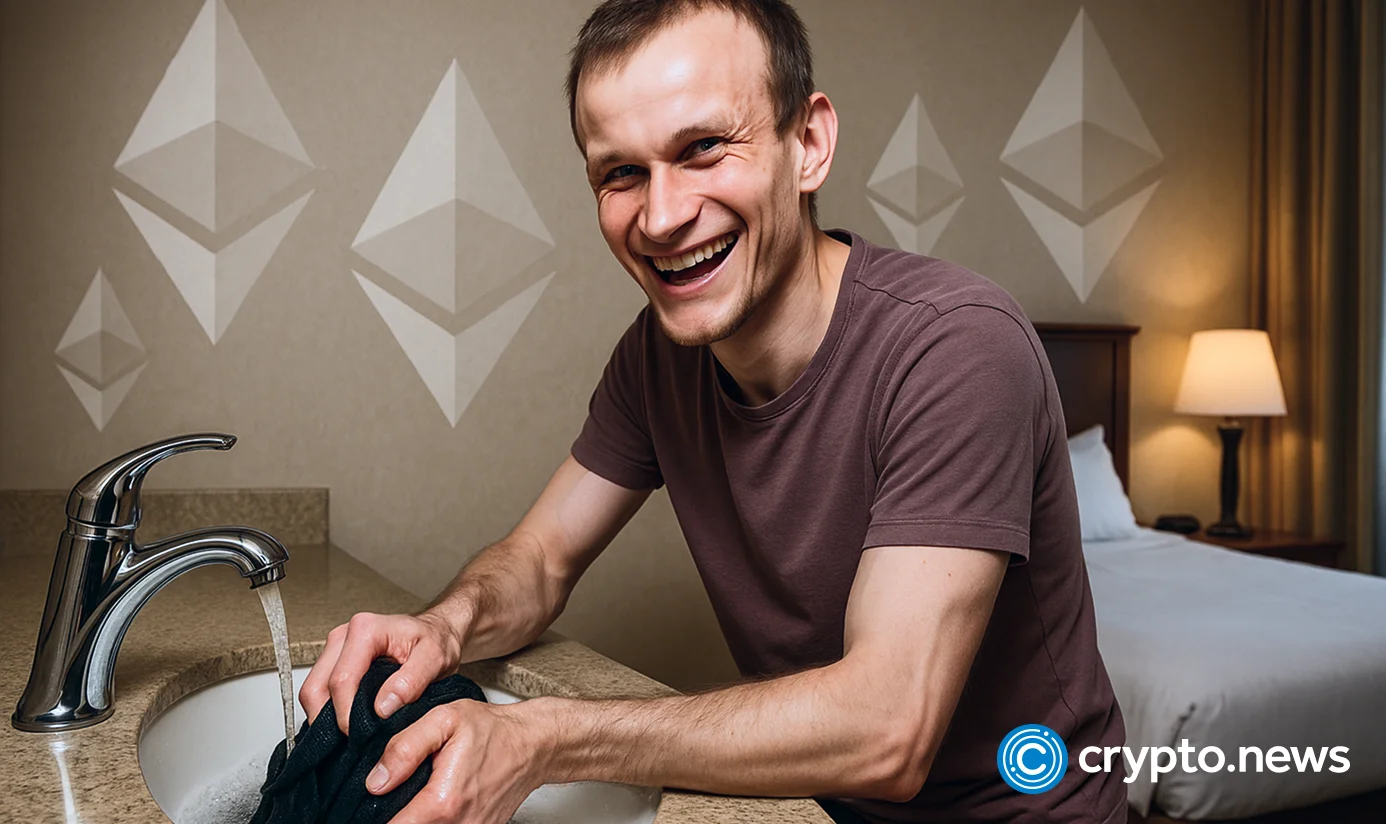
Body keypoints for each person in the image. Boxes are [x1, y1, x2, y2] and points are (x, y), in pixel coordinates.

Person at [300, 1, 1128, 822]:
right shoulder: (658, 358)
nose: (662, 217)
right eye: (621, 173)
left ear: (808, 145)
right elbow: (542, 559)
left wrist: (543, 738)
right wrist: (444, 626)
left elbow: (888, 729)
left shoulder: (957, 345)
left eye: (702, 149)